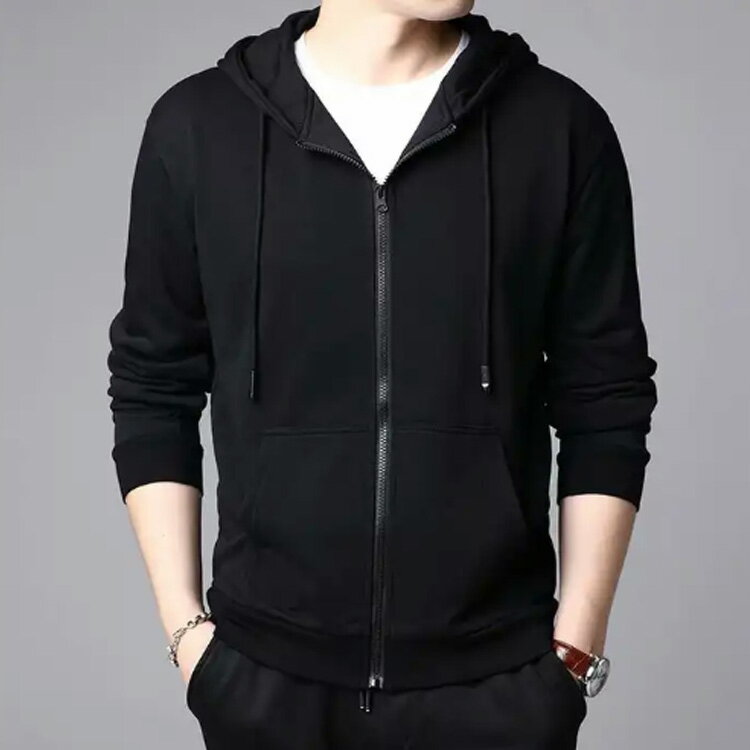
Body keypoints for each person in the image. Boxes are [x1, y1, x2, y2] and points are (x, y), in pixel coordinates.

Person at [106, 1, 658, 748]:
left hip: (500, 687)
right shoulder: (199, 127)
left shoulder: (560, 128)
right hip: (265, 685)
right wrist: (187, 636)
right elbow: (152, 385)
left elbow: (606, 397)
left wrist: (574, 651)